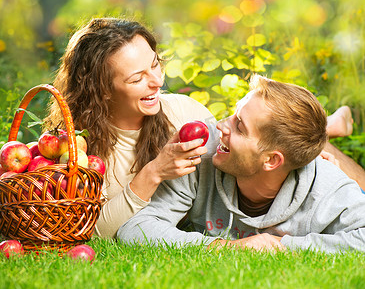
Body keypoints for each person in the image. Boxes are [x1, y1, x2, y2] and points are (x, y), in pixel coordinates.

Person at [45, 17, 360, 239]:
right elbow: (91, 233)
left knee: (299, 141)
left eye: (155, 64)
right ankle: (328, 125)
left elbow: (248, 141)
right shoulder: (78, 149)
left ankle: (325, 130)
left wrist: (311, 168)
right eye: (136, 78)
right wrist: (154, 172)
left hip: (269, 153)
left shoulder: (183, 113)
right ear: (102, 90)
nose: (158, 82)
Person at [118, 74, 365, 253]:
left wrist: (279, 246)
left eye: (239, 126)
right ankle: (329, 126)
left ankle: (331, 128)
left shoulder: (326, 185)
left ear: (271, 160)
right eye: (234, 113)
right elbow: (135, 229)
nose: (220, 125)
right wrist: (221, 246)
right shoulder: (203, 153)